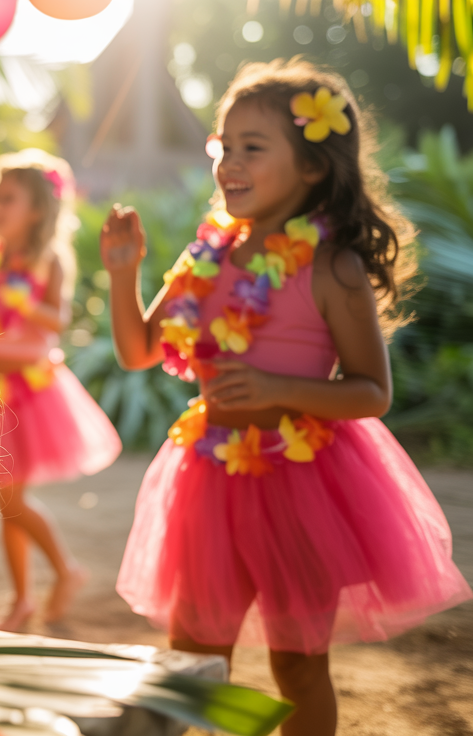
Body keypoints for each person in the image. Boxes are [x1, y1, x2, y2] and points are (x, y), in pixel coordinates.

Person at [103, 59, 471, 735]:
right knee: (193, 657)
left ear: (312, 166)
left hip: (302, 482)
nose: (230, 162)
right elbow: (139, 351)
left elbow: (372, 391)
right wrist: (124, 275)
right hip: (210, 477)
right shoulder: (206, 257)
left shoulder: (333, 267)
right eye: (224, 146)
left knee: (298, 666)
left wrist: (278, 387)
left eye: (253, 147)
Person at [0, 150, 121, 630]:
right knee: (8, 502)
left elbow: (57, 320)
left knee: (11, 501)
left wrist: (23, 302)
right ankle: (26, 597)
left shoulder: (47, 260)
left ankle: (61, 574)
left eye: (9, 198)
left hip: (28, 392)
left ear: (36, 210)